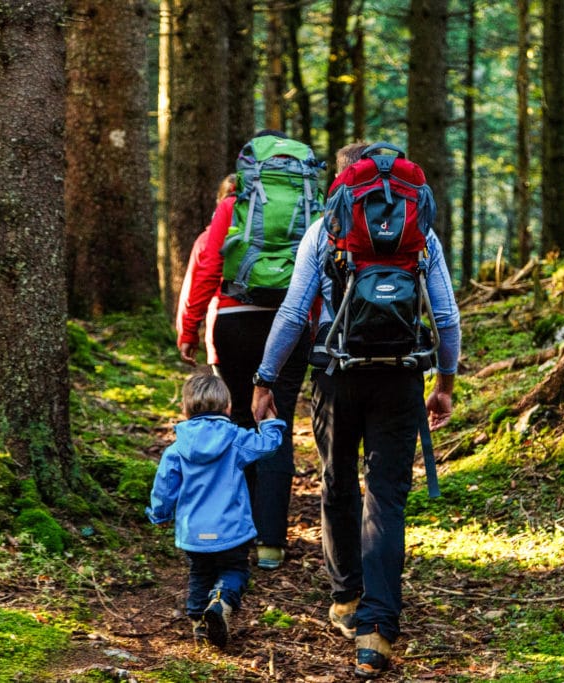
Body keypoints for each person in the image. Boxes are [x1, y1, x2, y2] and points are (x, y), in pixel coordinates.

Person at [251, 142, 461, 679]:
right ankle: (378, 630)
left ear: (342, 182)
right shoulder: (421, 231)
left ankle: (345, 599)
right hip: (401, 376)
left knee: (337, 483)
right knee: (386, 498)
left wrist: (265, 378)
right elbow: (446, 315)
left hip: (335, 372)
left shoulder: (325, 229)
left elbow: (297, 310)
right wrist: (445, 382)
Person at [177, 131, 313, 571]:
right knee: (278, 420)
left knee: (235, 420)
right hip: (290, 324)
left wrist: (190, 325)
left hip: (234, 321)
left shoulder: (230, 208)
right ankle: (271, 542)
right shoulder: (308, 209)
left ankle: (236, 528)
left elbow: (209, 265)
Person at [146, 368, 287, 648]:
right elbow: (268, 446)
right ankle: (221, 601)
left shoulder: (176, 449)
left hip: (194, 533)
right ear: (228, 407)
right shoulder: (235, 440)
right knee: (235, 570)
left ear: (185, 409)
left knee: (200, 573)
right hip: (231, 530)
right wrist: (271, 422)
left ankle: (199, 623)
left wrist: (160, 515)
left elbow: (163, 487)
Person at [176, 174, 237, 366]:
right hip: (276, 324)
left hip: (224, 323)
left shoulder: (206, 240)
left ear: (219, 201)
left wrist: (187, 333)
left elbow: (193, 289)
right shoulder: (271, 237)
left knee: (232, 394)